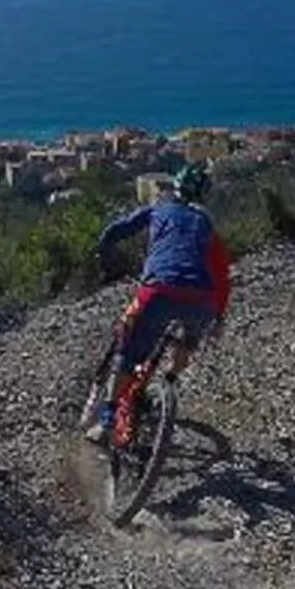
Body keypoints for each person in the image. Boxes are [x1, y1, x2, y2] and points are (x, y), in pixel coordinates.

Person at [82, 163, 232, 444]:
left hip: (158, 291)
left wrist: (103, 251)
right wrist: (219, 317)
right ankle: (169, 383)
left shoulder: (159, 208)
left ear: (175, 187)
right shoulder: (206, 225)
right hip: (202, 300)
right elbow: (222, 276)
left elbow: (119, 229)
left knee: (127, 353)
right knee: (187, 341)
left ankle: (106, 422)